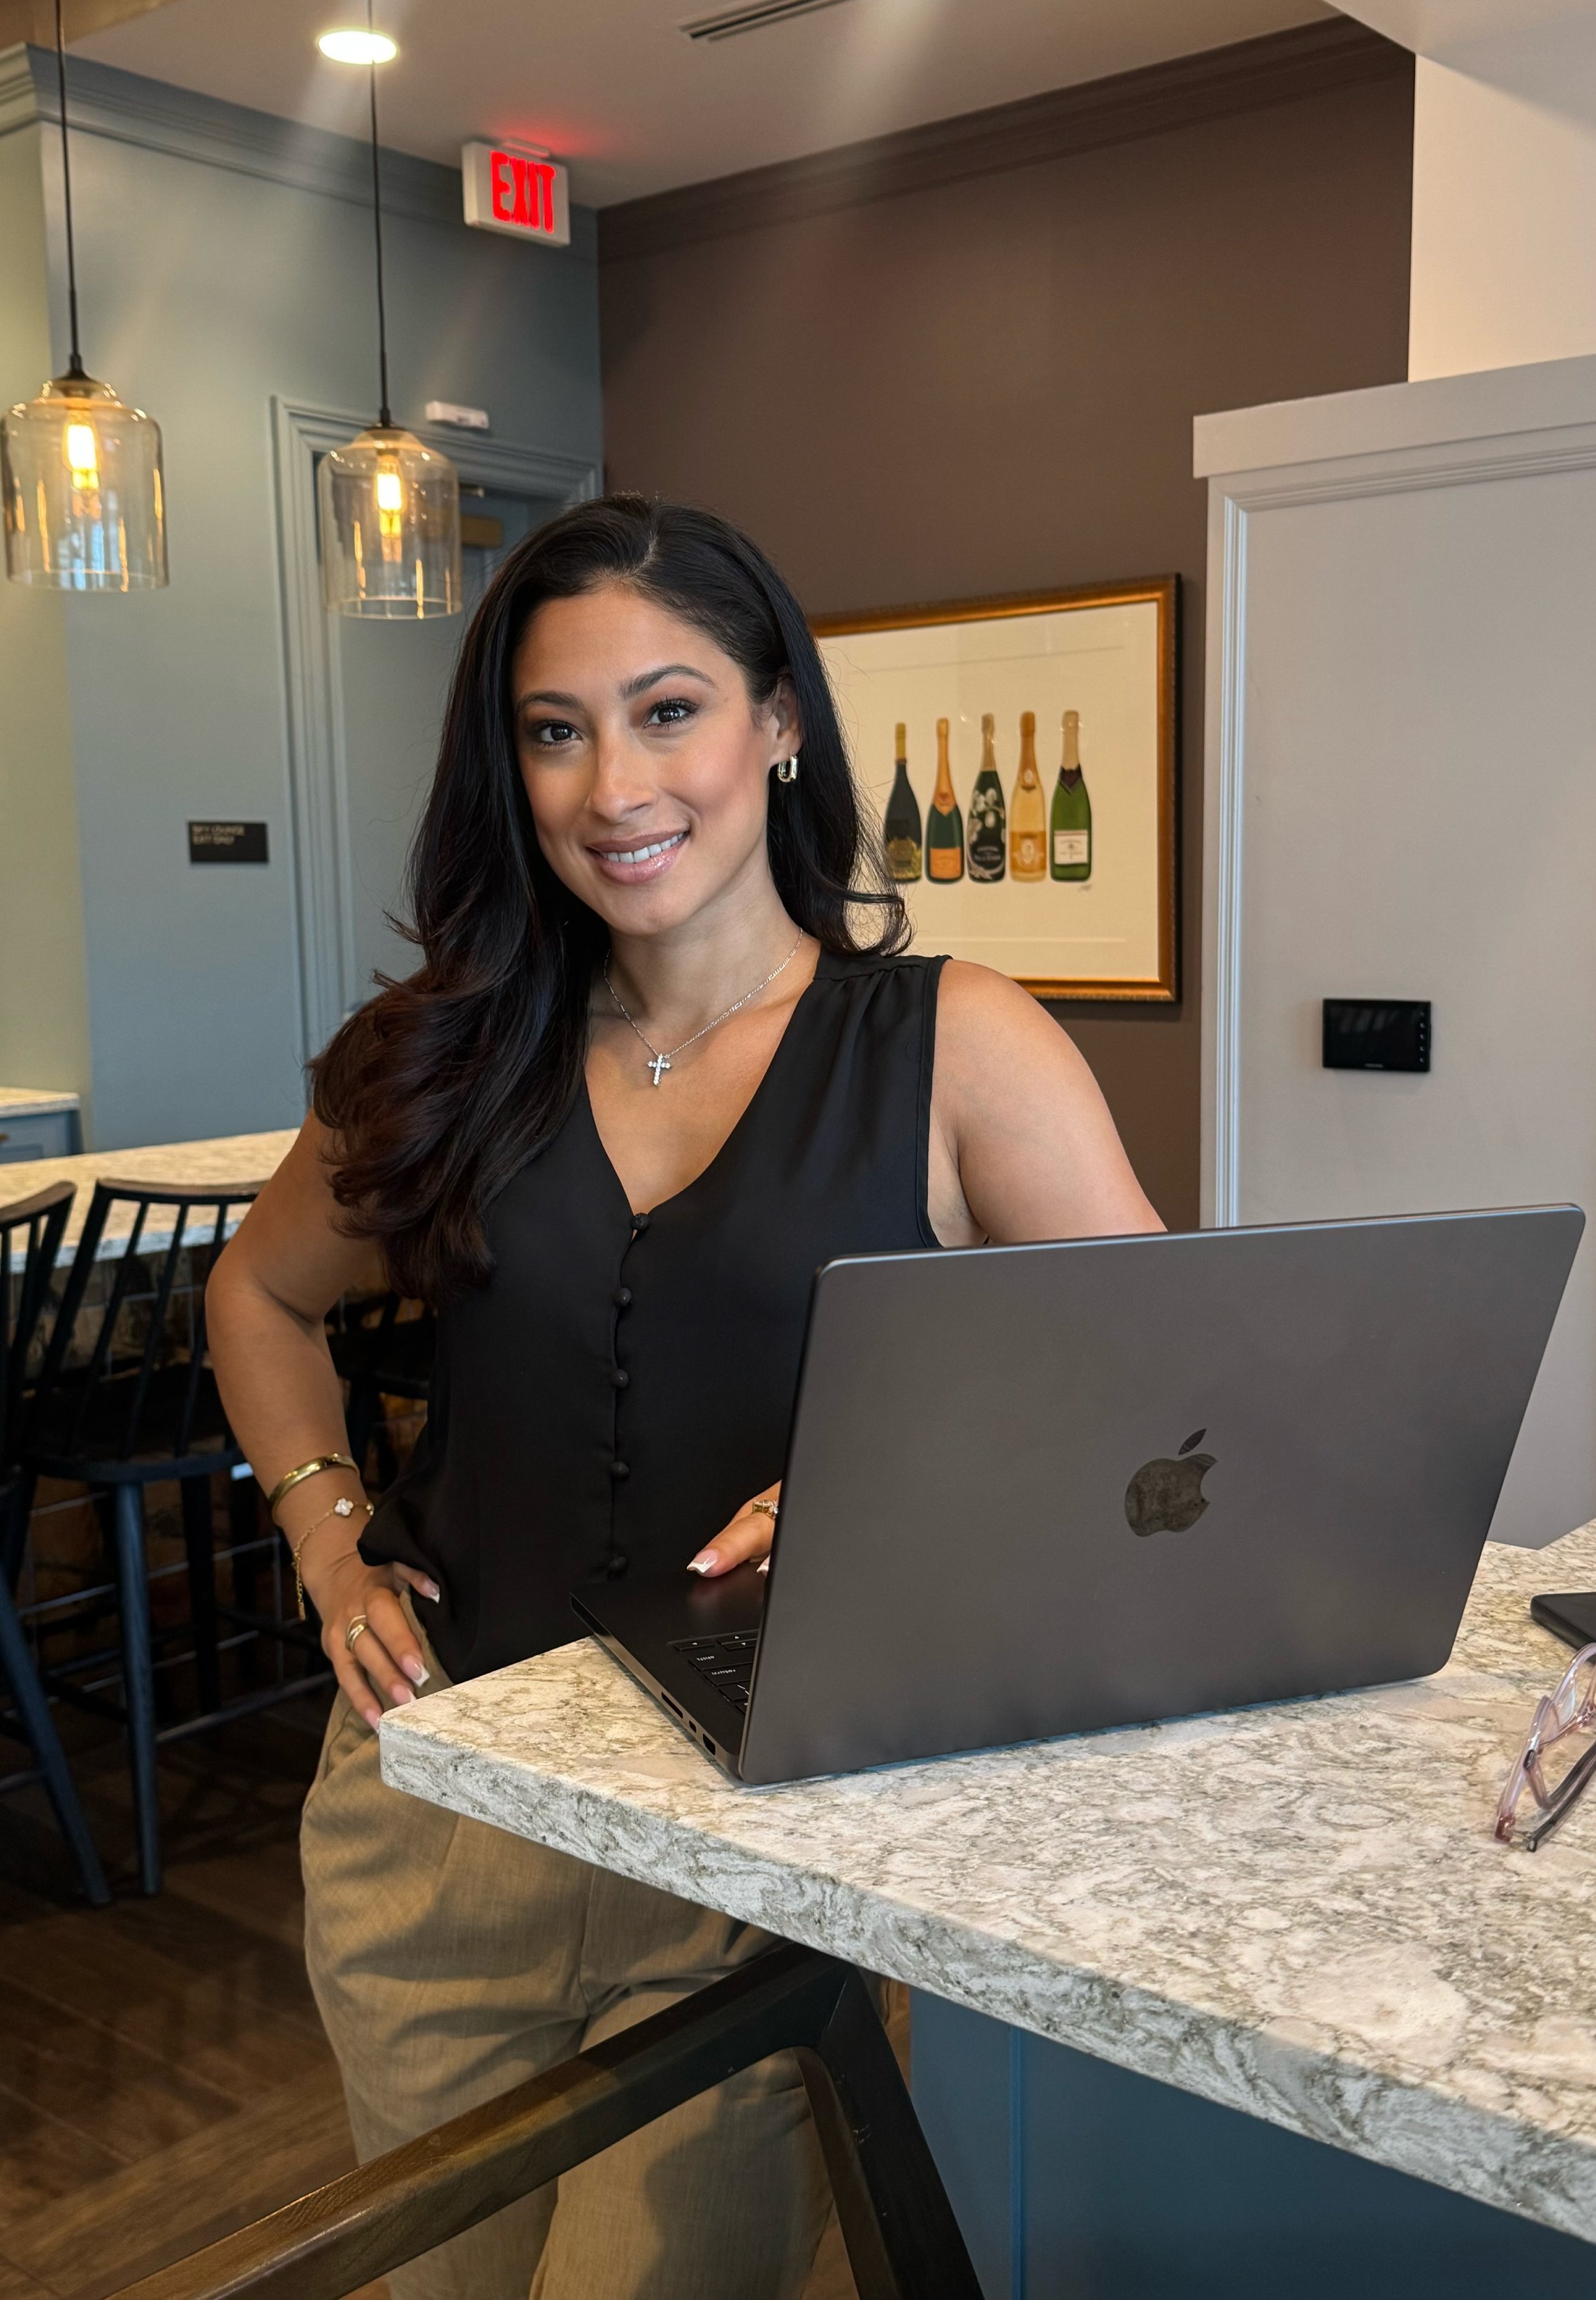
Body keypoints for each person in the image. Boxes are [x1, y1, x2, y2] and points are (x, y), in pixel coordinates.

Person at [206, 494, 1161, 2300]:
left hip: (755, 1847)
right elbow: (257, 1290)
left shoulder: (954, 1041)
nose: (612, 784)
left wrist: (896, 1494)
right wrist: (327, 1539)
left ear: (778, 722)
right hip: (437, 1814)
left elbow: (1151, 1388)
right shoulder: (448, 1052)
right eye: (555, 730)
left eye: (669, 710)